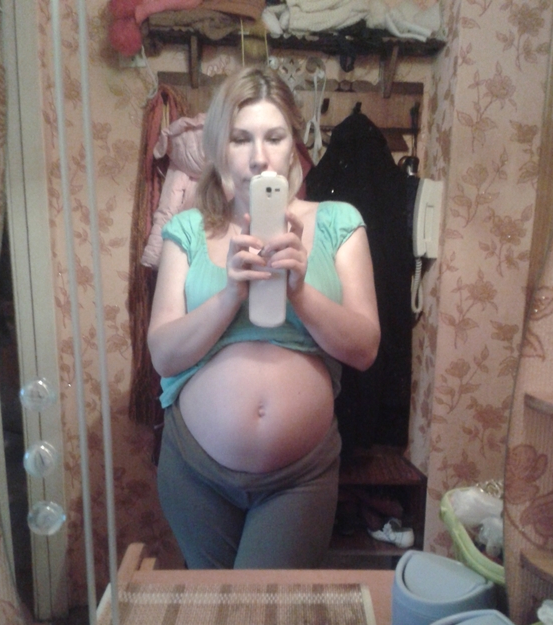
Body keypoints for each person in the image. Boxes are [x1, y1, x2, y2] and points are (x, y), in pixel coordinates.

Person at [147, 66, 380, 569]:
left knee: (266, 611)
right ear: (220, 149)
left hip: (299, 477)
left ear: (293, 145)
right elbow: (163, 355)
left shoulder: (340, 222)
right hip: (194, 469)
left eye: (274, 137)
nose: (258, 156)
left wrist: (299, 292)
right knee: (217, 610)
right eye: (240, 139)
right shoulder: (187, 229)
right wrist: (230, 294)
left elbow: (365, 349)